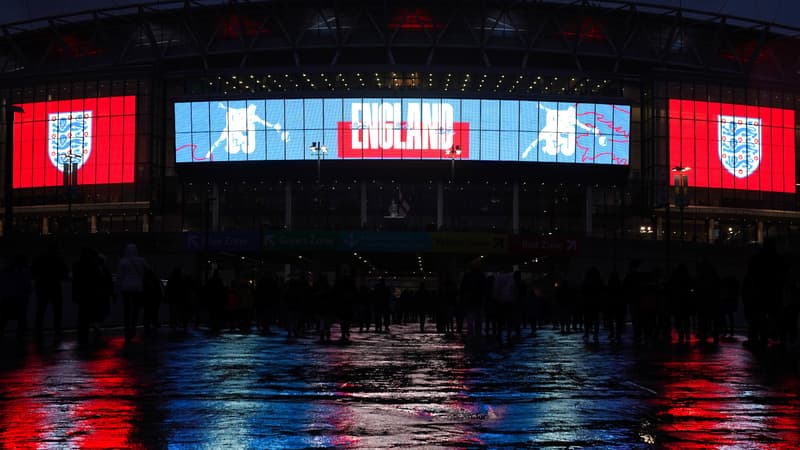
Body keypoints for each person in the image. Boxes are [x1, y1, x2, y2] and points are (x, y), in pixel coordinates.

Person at [32, 243, 69, 338]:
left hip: (42, 286)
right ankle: (57, 330)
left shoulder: (40, 259)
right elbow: (65, 273)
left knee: (41, 310)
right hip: (54, 287)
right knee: (57, 311)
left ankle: (38, 331)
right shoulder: (58, 260)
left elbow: (33, 271)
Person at [117, 243, 147, 342]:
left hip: (126, 288)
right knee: (135, 310)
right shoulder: (141, 261)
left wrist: (119, 288)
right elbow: (144, 274)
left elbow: (120, 277)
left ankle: (127, 331)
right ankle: (133, 329)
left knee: (127, 311)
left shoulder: (123, 261)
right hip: (137, 288)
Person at [0, 254, 32, 339]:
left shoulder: (5, 271)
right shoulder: (25, 271)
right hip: (19, 299)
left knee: (4, 319)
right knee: (21, 319)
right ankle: (21, 337)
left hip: (7, 298)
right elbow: (27, 286)